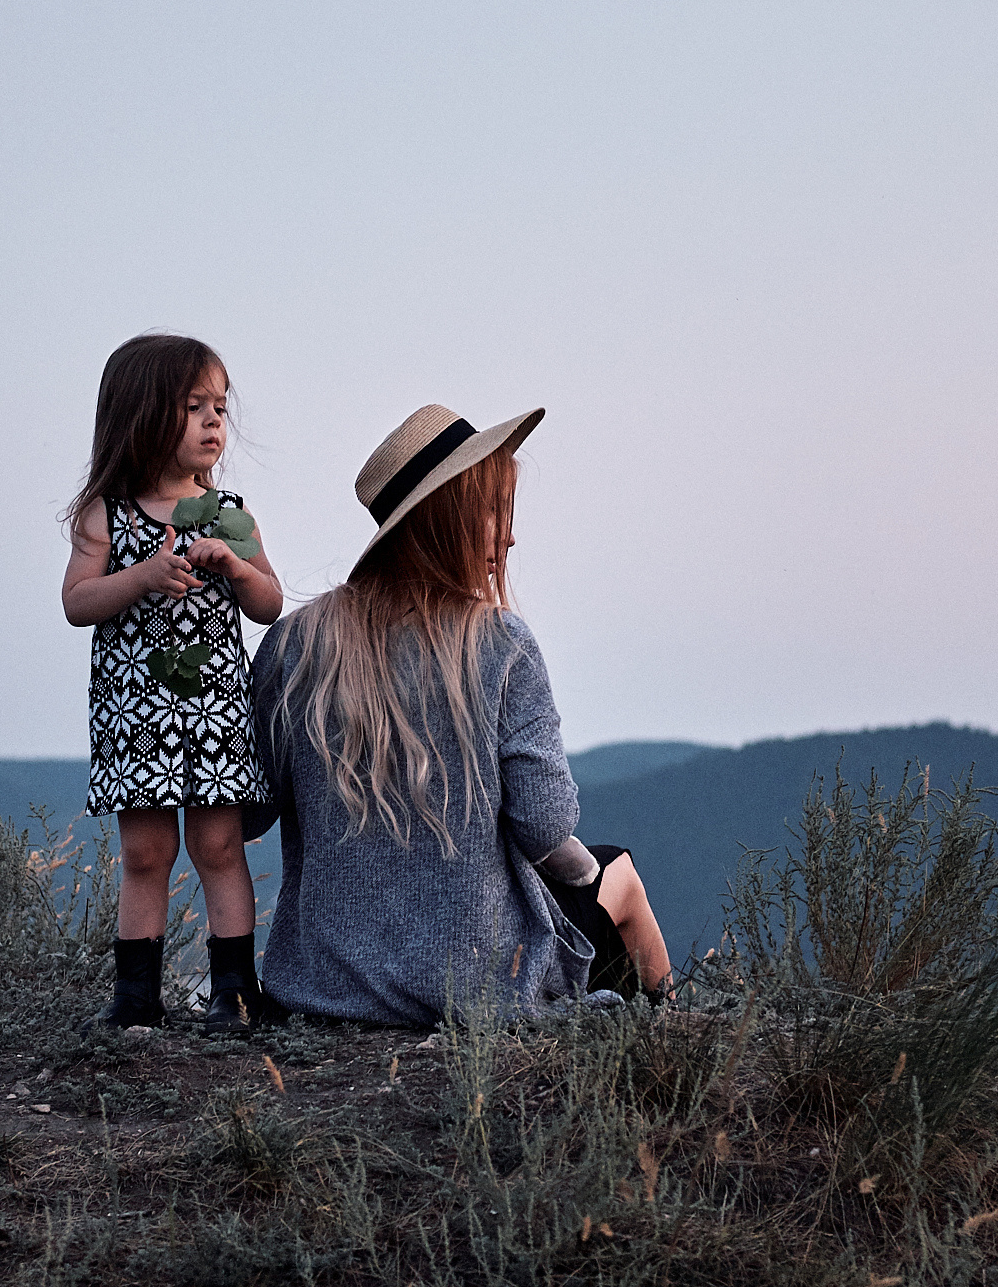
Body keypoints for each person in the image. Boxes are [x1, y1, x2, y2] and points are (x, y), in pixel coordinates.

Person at [247, 403, 672, 1025]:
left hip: (325, 986)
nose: (510, 536)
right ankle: (674, 1031)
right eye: (495, 510)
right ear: (447, 518)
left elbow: (252, 813)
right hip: (475, 983)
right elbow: (545, 824)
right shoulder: (500, 643)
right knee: (620, 874)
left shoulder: (293, 644)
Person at [62, 333, 284, 1034]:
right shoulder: (106, 514)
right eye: (194, 407)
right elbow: (77, 602)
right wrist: (144, 576)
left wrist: (237, 567)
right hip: (136, 712)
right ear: (142, 413)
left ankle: (235, 991)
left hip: (216, 711)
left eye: (220, 406)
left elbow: (270, 603)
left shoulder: (230, 513)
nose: (215, 421)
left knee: (219, 846)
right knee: (145, 852)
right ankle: (136, 997)